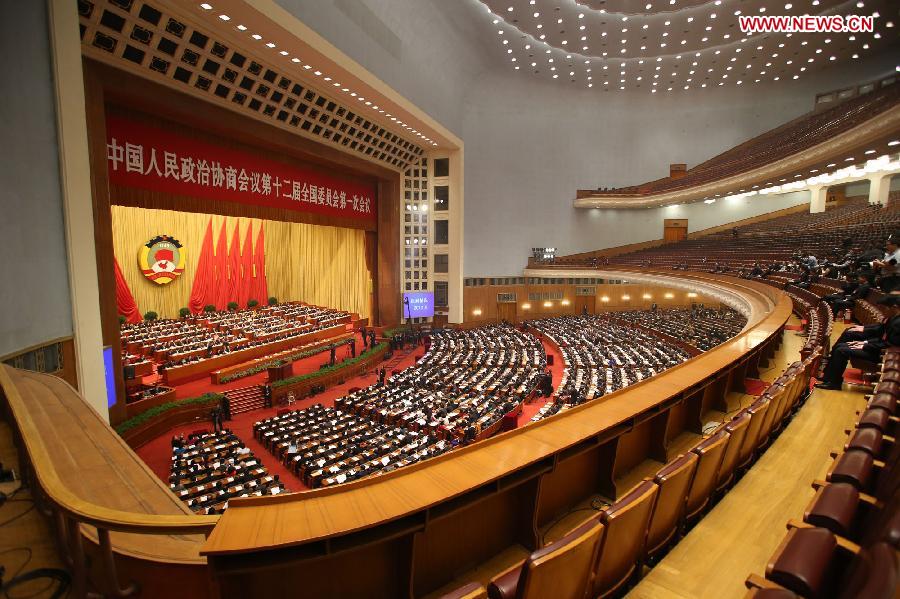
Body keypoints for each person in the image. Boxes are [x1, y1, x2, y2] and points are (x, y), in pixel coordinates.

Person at [815, 313, 900, 390]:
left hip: (881, 354)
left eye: (889, 307)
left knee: (841, 351)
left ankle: (834, 383)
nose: (887, 310)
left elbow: (890, 345)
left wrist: (865, 345)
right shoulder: (895, 318)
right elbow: (882, 337)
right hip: (876, 348)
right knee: (840, 346)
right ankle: (828, 377)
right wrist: (864, 342)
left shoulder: (897, 322)